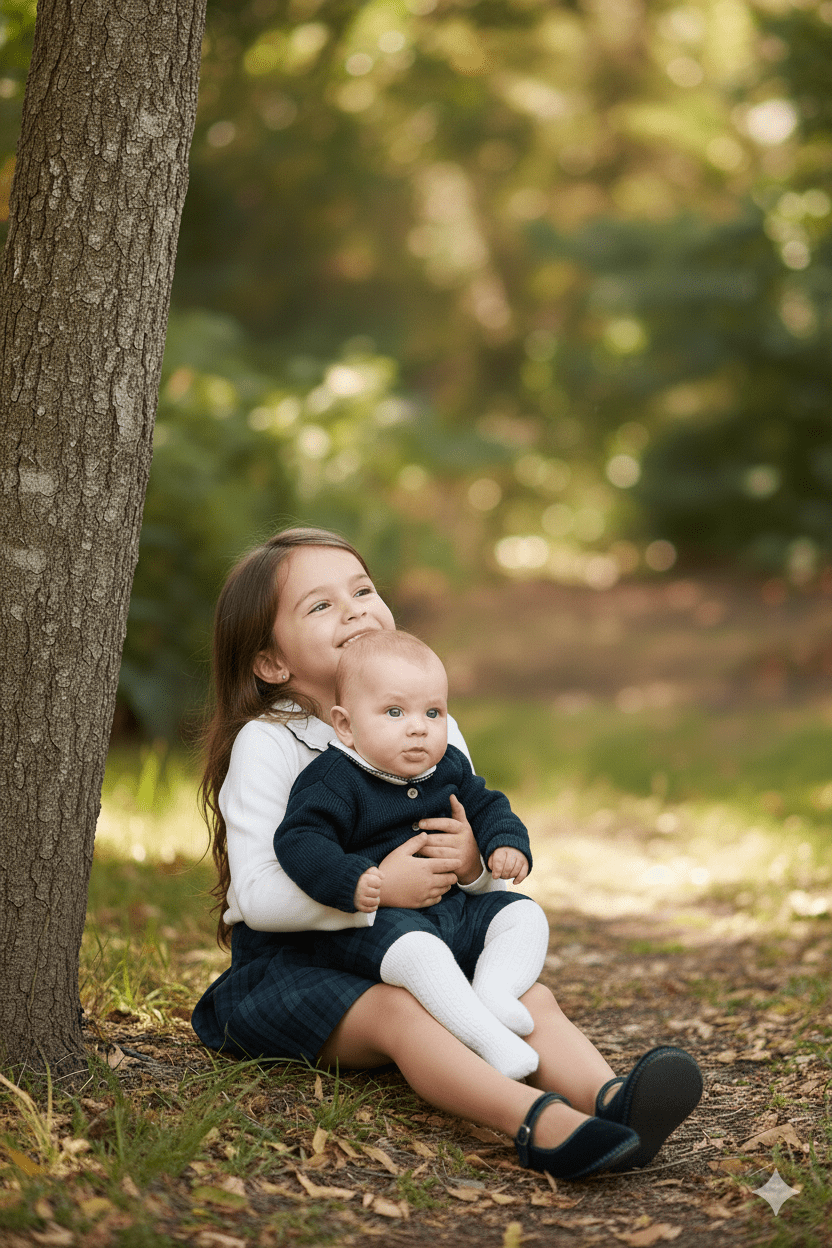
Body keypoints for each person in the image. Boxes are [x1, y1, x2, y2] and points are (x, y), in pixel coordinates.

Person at [192, 526, 703, 1180]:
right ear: (270, 662)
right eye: (320, 606)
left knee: (526, 997)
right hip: (298, 969)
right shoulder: (270, 744)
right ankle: (541, 1124)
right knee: (402, 1013)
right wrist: (375, 888)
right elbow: (257, 897)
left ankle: (614, 1101)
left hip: (419, 941)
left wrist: (474, 863)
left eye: (362, 590)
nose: (352, 609)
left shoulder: (426, 718)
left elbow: (473, 826)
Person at [273, 629, 551, 1082]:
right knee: (419, 953)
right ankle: (487, 1039)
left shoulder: (448, 767)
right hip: (384, 924)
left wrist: (503, 842)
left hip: (454, 911)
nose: (418, 726)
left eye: (433, 712)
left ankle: (494, 992)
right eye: (395, 712)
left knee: (524, 917)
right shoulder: (333, 782)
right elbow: (300, 839)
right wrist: (355, 878)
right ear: (346, 725)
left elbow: (487, 804)